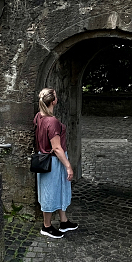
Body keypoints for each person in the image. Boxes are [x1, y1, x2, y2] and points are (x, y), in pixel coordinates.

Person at [33, 87, 78, 239]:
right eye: (56, 96)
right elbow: (57, 148)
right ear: (54, 101)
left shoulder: (39, 116)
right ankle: (46, 226)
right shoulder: (52, 121)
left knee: (59, 190)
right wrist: (68, 166)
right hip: (52, 162)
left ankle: (64, 222)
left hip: (46, 159)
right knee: (49, 193)